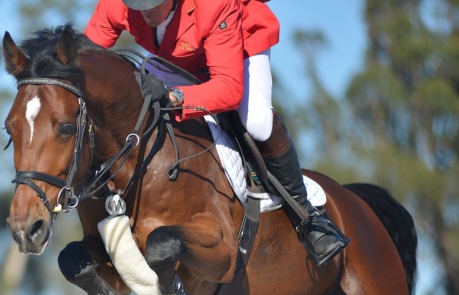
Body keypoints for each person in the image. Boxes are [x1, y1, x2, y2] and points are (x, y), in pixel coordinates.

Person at [85, 0, 349, 266]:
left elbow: (229, 90)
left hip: (240, 45)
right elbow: (84, 60)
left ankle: (308, 216)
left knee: (256, 121)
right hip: (179, 59)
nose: (145, 11)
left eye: (154, 2)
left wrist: (175, 97)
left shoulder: (212, 4)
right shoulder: (117, 5)